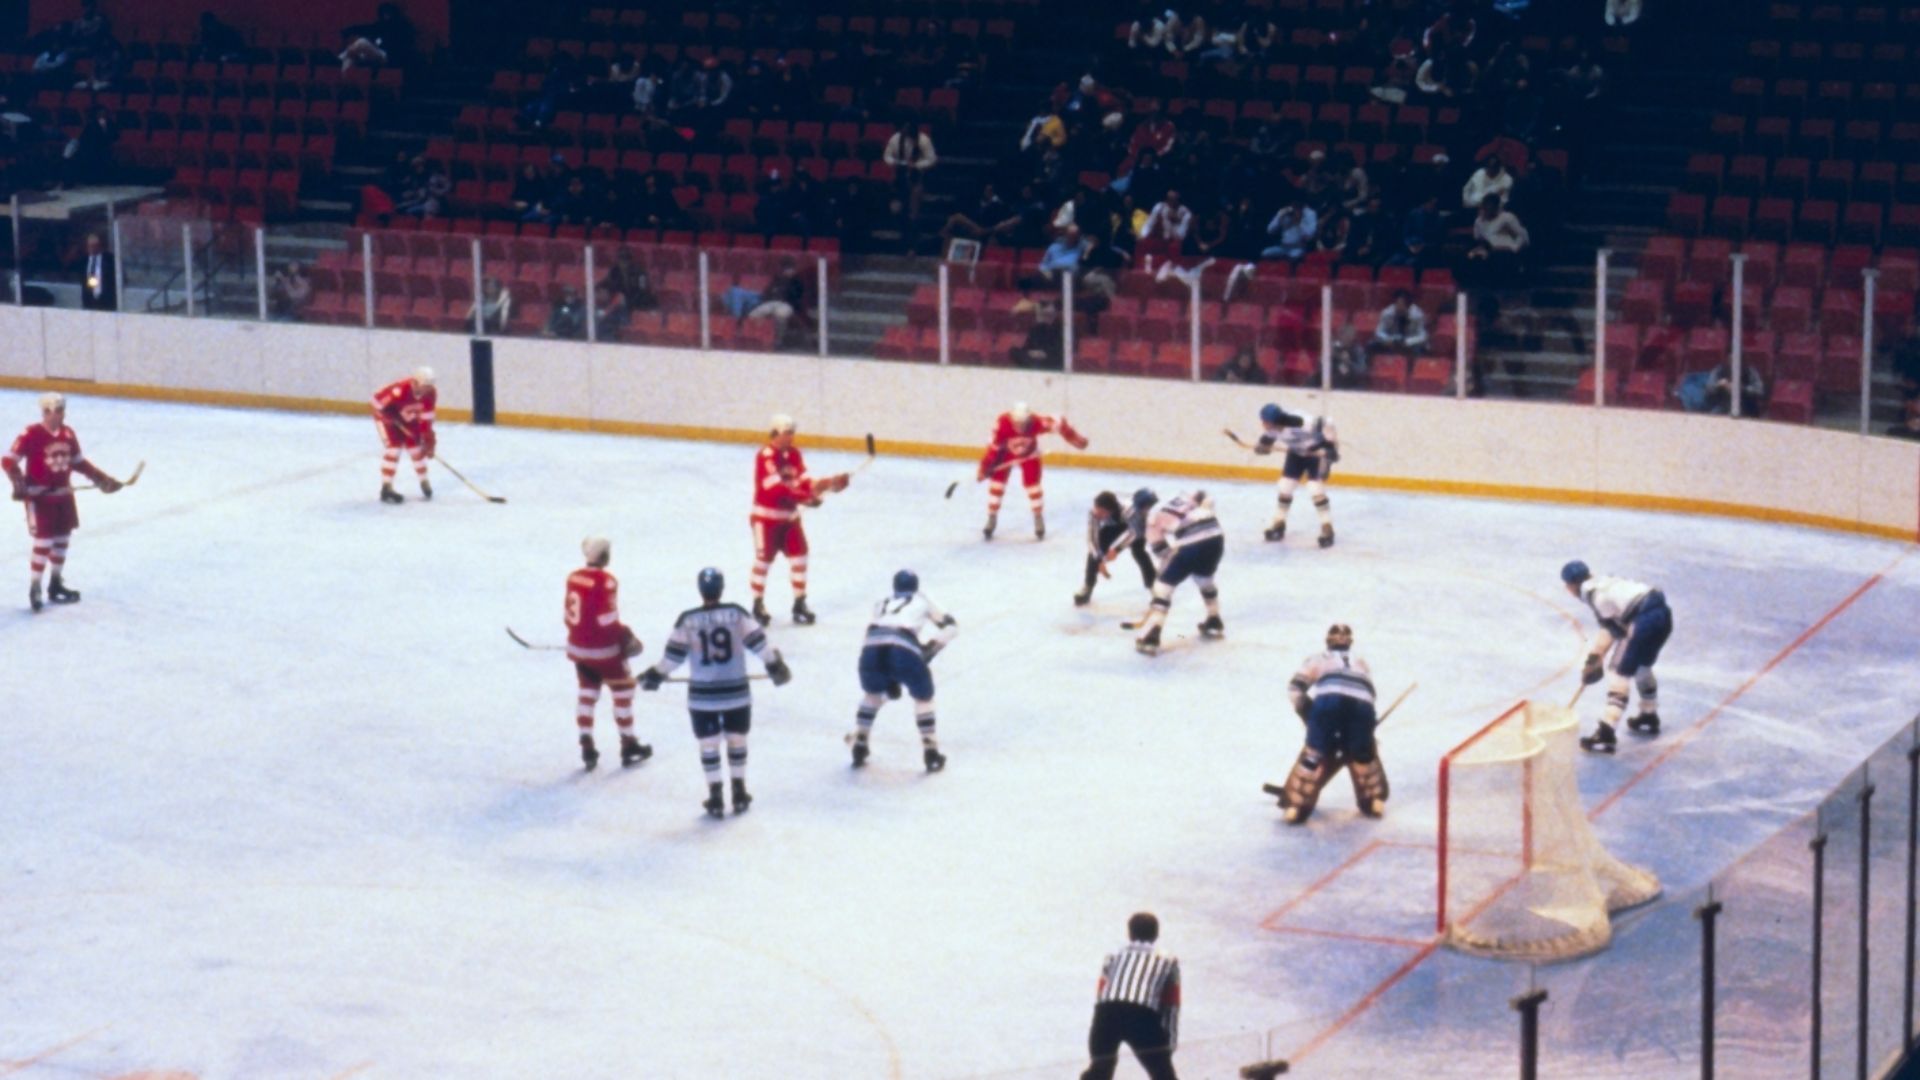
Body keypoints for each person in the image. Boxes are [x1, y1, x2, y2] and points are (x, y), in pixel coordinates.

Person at [641, 568, 793, 817]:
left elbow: (672, 658)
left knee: (708, 744)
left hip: (703, 696)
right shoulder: (737, 614)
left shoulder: (686, 620)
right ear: (721, 588)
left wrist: (655, 675)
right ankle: (739, 790)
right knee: (737, 739)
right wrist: (775, 665)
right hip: (737, 692)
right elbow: (760, 644)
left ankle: (715, 795)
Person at [4, 392, 127, 612]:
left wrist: (101, 479)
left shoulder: (68, 434)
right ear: (46, 411)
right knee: (44, 540)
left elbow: (78, 462)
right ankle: (35, 586)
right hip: (40, 497)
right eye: (57, 410)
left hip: (63, 495)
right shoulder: (31, 433)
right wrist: (18, 481)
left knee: (62, 537)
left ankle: (55, 582)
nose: (61, 414)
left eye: (62, 409)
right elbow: (7, 460)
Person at [849, 569, 959, 772]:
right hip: (903, 645)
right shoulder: (922, 599)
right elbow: (951, 627)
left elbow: (877, 627)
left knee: (872, 695)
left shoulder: (881, 601)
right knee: (923, 697)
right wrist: (929, 650)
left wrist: (889, 678)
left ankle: (860, 741)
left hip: (871, 646)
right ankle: (930, 750)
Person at [1274, 624, 1386, 824]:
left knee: (1314, 754)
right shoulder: (1361, 662)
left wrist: (1309, 714)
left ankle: (1296, 805)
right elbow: (1370, 693)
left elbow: (1295, 689)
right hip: (1362, 705)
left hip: (1329, 702)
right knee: (1363, 752)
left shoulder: (1317, 659)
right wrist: (1366, 726)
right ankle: (1373, 799)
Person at [750, 413, 849, 626]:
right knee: (764, 560)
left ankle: (799, 602)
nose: (791, 437)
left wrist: (829, 483)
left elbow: (804, 481)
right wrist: (805, 499)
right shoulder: (765, 456)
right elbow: (776, 488)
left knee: (800, 556)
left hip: (789, 519)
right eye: (787, 433)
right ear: (776, 433)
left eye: (793, 432)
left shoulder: (794, 454)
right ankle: (757, 603)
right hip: (766, 520)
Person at [1564, 561, 1671, 754]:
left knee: (1618, 671)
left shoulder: (1594, 595)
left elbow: (1611, 630)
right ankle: (1648, 715)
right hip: (1663, 615)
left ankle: (1606, 735)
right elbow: (1617, 625)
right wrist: (1596, 656)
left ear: (1571, 585)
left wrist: (1595, 658)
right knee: (1641, 668)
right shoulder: (1603, 581)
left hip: (1643, 620)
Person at [565, 536, 650, 771]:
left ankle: (586, 742)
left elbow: (570, 616)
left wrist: (579, 637)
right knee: (623, 690)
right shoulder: (607, 581)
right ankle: (629, 743)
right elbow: (607, 620)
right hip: (604, 651)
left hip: (578, 649)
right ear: (603, 556)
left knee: (587, 691)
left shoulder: (573, 577)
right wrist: (625, 638)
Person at [1080, 912, 1181, 1080]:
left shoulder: (1113, 955)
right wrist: (1169, 1043)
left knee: (1100, 1070)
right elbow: (1171, 1005)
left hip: (1107, 1012)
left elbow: (1101, 993)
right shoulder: (1169, 960)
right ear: (1156, 934)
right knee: (1163, 1074)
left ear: (1129, 933)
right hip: (1142, 1015)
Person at [1129, 489, 1225, 656]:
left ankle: (1152, 633)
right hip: (1216, 536)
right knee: (1204, 579)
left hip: (1191, 542)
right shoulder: (1178, 496)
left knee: (1162, 589)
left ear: (1143, 508)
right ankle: (1214, 620)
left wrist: (1168, 570)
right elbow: (1204, 494)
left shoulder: (1151, 519)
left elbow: (1162, 552)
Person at [977, 401, 1089, 541]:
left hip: (1029, 455)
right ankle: (992, 517)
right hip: (1005, 455)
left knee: (1033, 486)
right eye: (1017, 423)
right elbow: (993, 449)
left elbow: (1060, 423)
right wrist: (984, 468)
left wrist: (1076, 439)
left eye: (1023, 423)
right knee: (997, 485)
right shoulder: (1002, 424)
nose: (1021, 426)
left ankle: (1038, 517)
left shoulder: (1037, 422)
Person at [1252, 403, 1339, 546]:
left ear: (1275, 421)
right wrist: (1262, 448)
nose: (1263, 424)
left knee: (1315, 488)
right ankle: (1279, 523)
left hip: (1315, 454)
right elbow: (1266, 443)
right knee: (1285, 487)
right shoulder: (1273, 429)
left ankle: (1327, 527)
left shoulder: (1299, 422)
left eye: (1265, 421)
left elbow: (1328, 423)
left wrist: (1330, 447)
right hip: (1296, 453)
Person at [1077, 490, 1156, 607]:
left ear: (1109, 511)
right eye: (1096, 508)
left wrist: (1117, 549)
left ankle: (1154, 587)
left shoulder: (1131, 510)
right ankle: (1088, 585)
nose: (1097, 514)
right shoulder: (1094, 513)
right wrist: (1099, 560)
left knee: (1138, 552)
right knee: (1096, 549)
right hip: (1114, 526)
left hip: (1136, 526)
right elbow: (1092, 539)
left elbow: (1134, 533)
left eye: (1101, 512)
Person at [370, 366, 436, 504]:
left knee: (416, 448)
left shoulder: (431, 393)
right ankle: (386, 487)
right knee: (394, 449)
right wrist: (389, 417)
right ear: (416, 382)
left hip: (408, 418)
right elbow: (376, 403)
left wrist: (427, 438)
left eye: (429, 386)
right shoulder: (399, 390)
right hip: (388, 418)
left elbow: (426, 417)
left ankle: (424, 481)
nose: (427, 390)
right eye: (424, 386)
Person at [339, 3, 415, 71]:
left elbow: (402, 46)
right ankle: (343, 77)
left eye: (388, 13)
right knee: (353, 57)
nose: (386, 15)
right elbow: (366, 28)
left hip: (389, 57)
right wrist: (350, 30)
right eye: (384, 13)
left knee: (362, 42)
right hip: (378, 55)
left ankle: (339, 59)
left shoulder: (399, 26)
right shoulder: (381, 25)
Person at [1371, 291, 1429, 358]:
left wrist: (1408, 342)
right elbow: (1378, 332)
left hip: (1410, 343)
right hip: (1391, 341)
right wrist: (1387, 339)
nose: (1399, 307)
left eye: (1402, 304)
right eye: (1397, 304)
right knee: (1372, 345)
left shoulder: (1417, 315)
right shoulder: (1387, 313)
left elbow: (1423, 336)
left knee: (1419, 349)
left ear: (1408, 306)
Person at [78, 233, 115, 311]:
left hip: (106, 302)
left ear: (99, 246)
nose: (91, 248)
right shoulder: (83, 261)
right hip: (89, 302)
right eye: (89, 246)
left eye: (94, 246)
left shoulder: (109, 260)